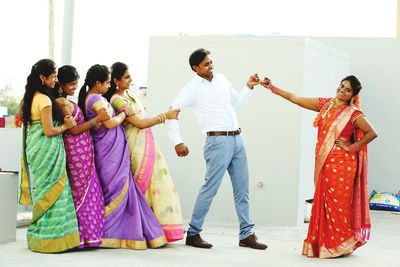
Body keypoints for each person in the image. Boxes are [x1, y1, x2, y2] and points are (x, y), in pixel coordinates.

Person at [260, 75, 377, 258]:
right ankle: (325, 243)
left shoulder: (353, 113)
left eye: (347, 90)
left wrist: (352, 146)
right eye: (341, 86)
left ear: (353, 95)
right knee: (324, 203)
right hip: (325, 163)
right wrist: (273, 88)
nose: (342, 90)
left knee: (339, 205)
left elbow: (372, 132)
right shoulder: (326, 104)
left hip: (343, 165)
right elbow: (296, 99)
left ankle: (340, 243)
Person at [166, 48, 267, 249]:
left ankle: (246, 234)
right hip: (217, 142)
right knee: (210, 188)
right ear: (195, 68)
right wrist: (177, 141)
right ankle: (193, 233)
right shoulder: (191, 88)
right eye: (206, 64)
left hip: (238, 139)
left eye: (211, 62)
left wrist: (248, 87)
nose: (211, 66)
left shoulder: (221, 79)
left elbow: (237, 105)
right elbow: (172, 111)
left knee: (242, 189)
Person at [77, 64, 167, 249]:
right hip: (109, 153)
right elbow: (110, 124)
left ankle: (119, 232)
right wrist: (124, 113)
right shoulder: (96, 99)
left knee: (121, 191)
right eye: (108, 82)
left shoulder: (95, 97)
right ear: (97, 83)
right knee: (116, 191)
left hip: (112, 150)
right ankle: (107, 233)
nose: (109, 86)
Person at [104, 62, 185, 242]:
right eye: (126, 77)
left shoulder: (130, 94)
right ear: (115, 80)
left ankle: (157, 230)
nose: (131, 79)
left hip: (148, 144)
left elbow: (143, 119)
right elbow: (139, 123)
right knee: (143, 187)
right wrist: (165, 116)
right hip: (135, 148)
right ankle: (143, 230)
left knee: (157, 185)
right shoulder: (117, 100)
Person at [18, 59, 80, 253]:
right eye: (52, 75)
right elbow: (49, 130)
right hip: (46, 148)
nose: (55, 79)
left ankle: (41, 238)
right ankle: (51, 240)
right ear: (42, 77)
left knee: (45, 192)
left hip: (37, 149)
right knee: (55, 191)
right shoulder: (44, 100)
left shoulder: (31, 97)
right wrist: (66, 126)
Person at [54, 65, 110, 248]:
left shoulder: (69, 101)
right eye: (70, 84)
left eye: (76, 83)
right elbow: (75, 130)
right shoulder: (61, 103)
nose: (74, 87)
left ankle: (91, 236)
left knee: (92, 191)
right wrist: (97, 120)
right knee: (80, 193)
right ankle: (79, 237)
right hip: (76, 151)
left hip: (85, 151)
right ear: (60, 84)